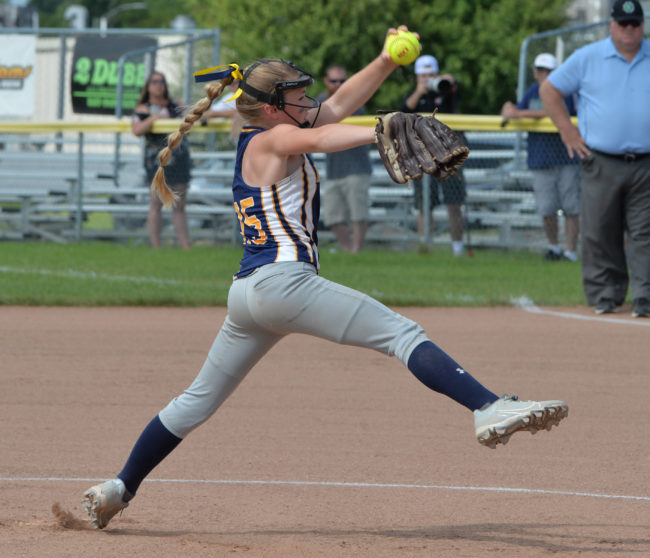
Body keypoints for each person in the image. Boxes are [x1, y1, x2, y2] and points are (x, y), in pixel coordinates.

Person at [82, 26, 568, 530]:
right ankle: (486, 406)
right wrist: (382, 128)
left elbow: (330, 112)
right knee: (402, 335)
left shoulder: (263, 134)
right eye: (297, 95)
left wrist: (385, 61)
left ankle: (119, 486)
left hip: (247, 294)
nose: (309, 99)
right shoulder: (276, 138)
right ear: (273, 108)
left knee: (194, 402)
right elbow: (321, 135)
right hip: (284, 283)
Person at [539, 0, 650, 317]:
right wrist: (567, 131)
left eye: (635, 23)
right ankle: (606, 294)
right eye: (622, 23)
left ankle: (645, 297)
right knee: (601, 230)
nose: (629, 29)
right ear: (611, 25)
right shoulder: (589, 57)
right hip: (601, 158)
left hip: (646, 161)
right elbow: (550, 90)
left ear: (642, 25)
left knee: (646, 233)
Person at [500, 53, 581, 262]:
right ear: (535, 73)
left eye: (548, 71)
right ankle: (554, 248)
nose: (543, 74)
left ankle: (571, 252)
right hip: (540, 158)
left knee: (571, 206)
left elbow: (552, 111)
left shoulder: (566, 91)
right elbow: (518, 109)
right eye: (540, 70)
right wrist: (509, 109)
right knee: (547, 208)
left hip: (568, 156)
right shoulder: (533, 91)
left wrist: (518, 114)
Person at [401, 54, 466, 257]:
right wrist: (420, 91)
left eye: (431, 75)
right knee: (424, 205)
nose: (428, 79)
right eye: (424, 75)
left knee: (454, 202)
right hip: (422, 156)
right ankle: (424, 246)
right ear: (417, 77)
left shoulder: (445, 90)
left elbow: (458, 91)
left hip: (449, 153)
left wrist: (447, 81)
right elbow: (403, 111)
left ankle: (458, 248)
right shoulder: (414, 95)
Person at [315, 64, 373, 253]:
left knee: (358, 213)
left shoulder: (353, 101)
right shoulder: (319, 102)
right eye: (334, 81)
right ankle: (347, 250)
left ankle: (356, 251)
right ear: (326, 81)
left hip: (357, 167)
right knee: (334, 215)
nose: (339, 84)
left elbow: (338, 109)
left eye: (343, 81)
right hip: (334, 169)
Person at [132, 71, 191, 249]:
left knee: (179, 204)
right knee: (156, 203)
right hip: (157, 161)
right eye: (155, 81)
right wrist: (154, 118)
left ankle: (185, 247)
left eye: (162, 81)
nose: (159, 85)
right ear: (148, 86)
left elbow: (191, 120)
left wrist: (184, 110)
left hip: (179, 158)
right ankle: (156, 247)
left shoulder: (175, 105)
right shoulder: (143, 109)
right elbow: (137, 130)